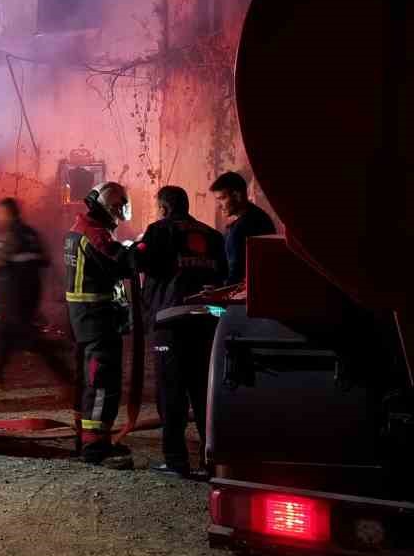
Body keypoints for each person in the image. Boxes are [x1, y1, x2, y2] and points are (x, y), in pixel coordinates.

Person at [134, 186, 226, 478]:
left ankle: (176, 461)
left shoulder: (159, 230)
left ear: (163, 207)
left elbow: (138, 262)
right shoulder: (213, 235)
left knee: (171, 393)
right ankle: (211, 461)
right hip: (207, 321)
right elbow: (225, 275)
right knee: (203, 393)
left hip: (171, 321)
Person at [0, 198, 69, 391]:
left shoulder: (9, 235)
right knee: (7, 335)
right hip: (30, 294)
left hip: (14, 296)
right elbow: (45, 261)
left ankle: (67, 378)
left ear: (8, 214)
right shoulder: (31, 234)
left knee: (26, 338)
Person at [64, 181, 137, 467]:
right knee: (102, 382)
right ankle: (96, 449)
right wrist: (142, 248)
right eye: (118, 208)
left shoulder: (78, 229)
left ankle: (84, 439)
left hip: (83, 318)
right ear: (112, 207)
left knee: (87, 380)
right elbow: (122, 261)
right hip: (99, 319)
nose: (119, 214)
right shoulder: (95, 234)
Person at [208, 171, 277, 287]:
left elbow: (234, 275)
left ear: (237, 195)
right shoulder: (261, 217)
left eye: (222, 198)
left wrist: (219, 292)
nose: (219, 206)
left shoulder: (241, 228)